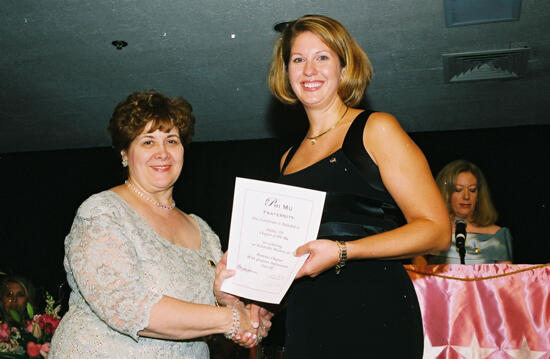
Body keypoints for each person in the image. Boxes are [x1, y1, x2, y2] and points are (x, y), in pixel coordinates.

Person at [266, 15, 451, 358]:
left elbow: (437, 231)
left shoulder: (375, 129)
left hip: (373, 306)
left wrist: (343, 251)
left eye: (322, 57)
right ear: (285, 71)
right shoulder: (287, 159)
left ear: (343, 66)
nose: (309, 70)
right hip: (308, 315)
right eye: (298, 59)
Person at [49, 90, 270, 358]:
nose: (163, 152)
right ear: (124, 153)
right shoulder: (101, 212)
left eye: (172, 141)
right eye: (148, 142)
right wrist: (232, 320)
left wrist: (235, 307)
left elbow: (203, 311)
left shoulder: (202, 230)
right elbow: (129, 306)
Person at [418, 159, 513, 264]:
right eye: (458, 190)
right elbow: (417, 275)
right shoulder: (430, 233)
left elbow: (506, 278)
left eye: (472, 190)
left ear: (479, 195)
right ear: (446, 194)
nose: (466, 196)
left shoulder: (497, 235)